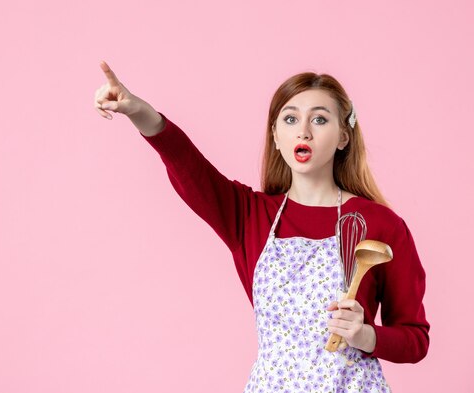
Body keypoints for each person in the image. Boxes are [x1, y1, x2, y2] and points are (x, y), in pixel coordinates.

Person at [94, 60, 429, 392]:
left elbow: (415, 338)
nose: (304, 131)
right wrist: (138, 111)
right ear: (277, 136)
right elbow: (189, 166)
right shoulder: (248, 215)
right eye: (291, 118)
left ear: (343, 136)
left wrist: (365, 334)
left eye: (320, 119)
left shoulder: (380, 225)